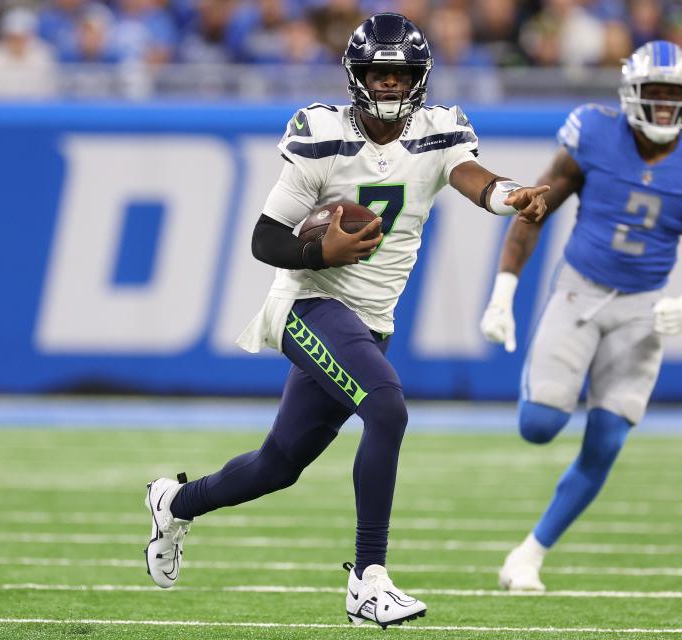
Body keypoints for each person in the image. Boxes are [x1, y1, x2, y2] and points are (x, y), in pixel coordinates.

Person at [143, 12, 549, 629]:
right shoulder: (322, 135)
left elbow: (474, 178)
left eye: (399, 75)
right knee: (385, 405)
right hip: (306, 304)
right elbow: (264, 237)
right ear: (356, 77)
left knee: (279, 465)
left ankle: (175, 502)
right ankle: (369, 578)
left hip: (368, 323)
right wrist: (319, 252)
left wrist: (510, 195)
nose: (388, 86)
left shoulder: (439, 132)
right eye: (377, 75)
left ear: (418, 79)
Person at [479, 40, 682, 591]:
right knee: (540, 426)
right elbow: (533, 211)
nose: (665, 107)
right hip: (580, 290)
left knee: (606, 442)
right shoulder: (592, 133)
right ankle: (556, 388)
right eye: (656, 94)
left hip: (644, 306)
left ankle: (528, 555)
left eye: (676, 96)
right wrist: (504, 291)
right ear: (632, 94)